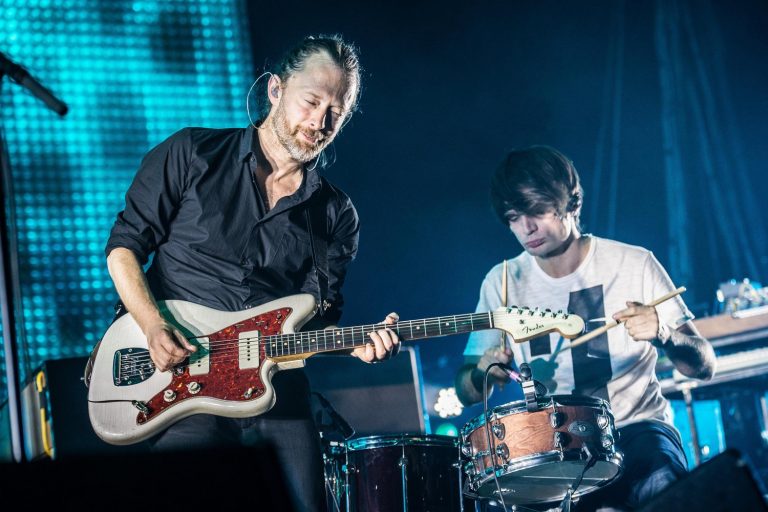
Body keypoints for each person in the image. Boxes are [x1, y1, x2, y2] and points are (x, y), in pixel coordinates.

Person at [103, 34, 400, 512]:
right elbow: (123, 249)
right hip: (182, 379)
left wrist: (354, 345)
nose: (320, 122)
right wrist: (153, 326)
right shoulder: (192, 153)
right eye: (311, 102)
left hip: (277, 389)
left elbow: (316, 319)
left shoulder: (335, 213)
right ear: (276, 89)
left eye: (336, 112)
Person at [455, 145, 716, 511]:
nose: (527, 228)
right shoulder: (502, 282)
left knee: (664, 490)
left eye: (537, 210)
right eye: (514, 217)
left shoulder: (633, 263)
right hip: (557, 446)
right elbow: (465, 390)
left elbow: (704, 366)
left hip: (638, 429)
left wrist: (665, 335)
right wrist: (481, 372)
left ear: (571, 202)